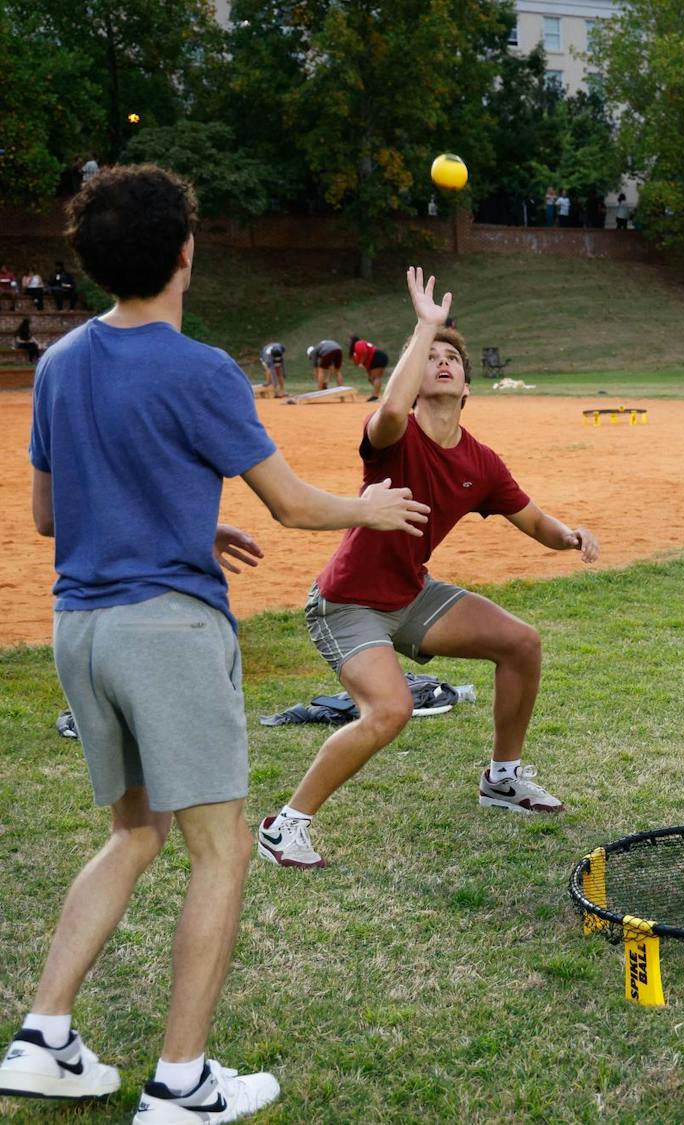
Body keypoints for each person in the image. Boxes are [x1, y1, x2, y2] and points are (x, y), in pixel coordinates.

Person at [0, 163, 428, 1122]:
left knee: (134, 831)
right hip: (167, 634)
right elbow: (288, 502)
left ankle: (44, 1036)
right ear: (185, 253)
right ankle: (183, 1080)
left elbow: (47, 515)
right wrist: (371, 504)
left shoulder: (60, 363)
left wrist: (184, 528)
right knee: (222, 846)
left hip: (83, 630)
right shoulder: (199, 368)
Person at [257, 267, 600, 870]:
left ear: (467, 386)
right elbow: (389, 406)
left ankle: (502, 778)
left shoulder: (481, 461)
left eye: (452, 358)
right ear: (415, 383)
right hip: (348, 604)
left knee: (521, 642)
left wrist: (571, 536)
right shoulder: (393, 434)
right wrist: (424, 326)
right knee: (389, 711)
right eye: (430, 358)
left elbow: (536, 521)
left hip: (411, 596)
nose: (442, 362)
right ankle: (285, 826)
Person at [349, 335, 389, 402]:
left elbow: (364, 351)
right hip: (376, 358)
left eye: (350, 341)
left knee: (376, 378)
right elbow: (365, 362)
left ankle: (375, 397)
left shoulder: (358, 343)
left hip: (377, 356)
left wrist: (361, 363)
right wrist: (369, 373)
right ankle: (376, 394)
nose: (349, 343)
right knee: (371, 379)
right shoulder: (356, 350)